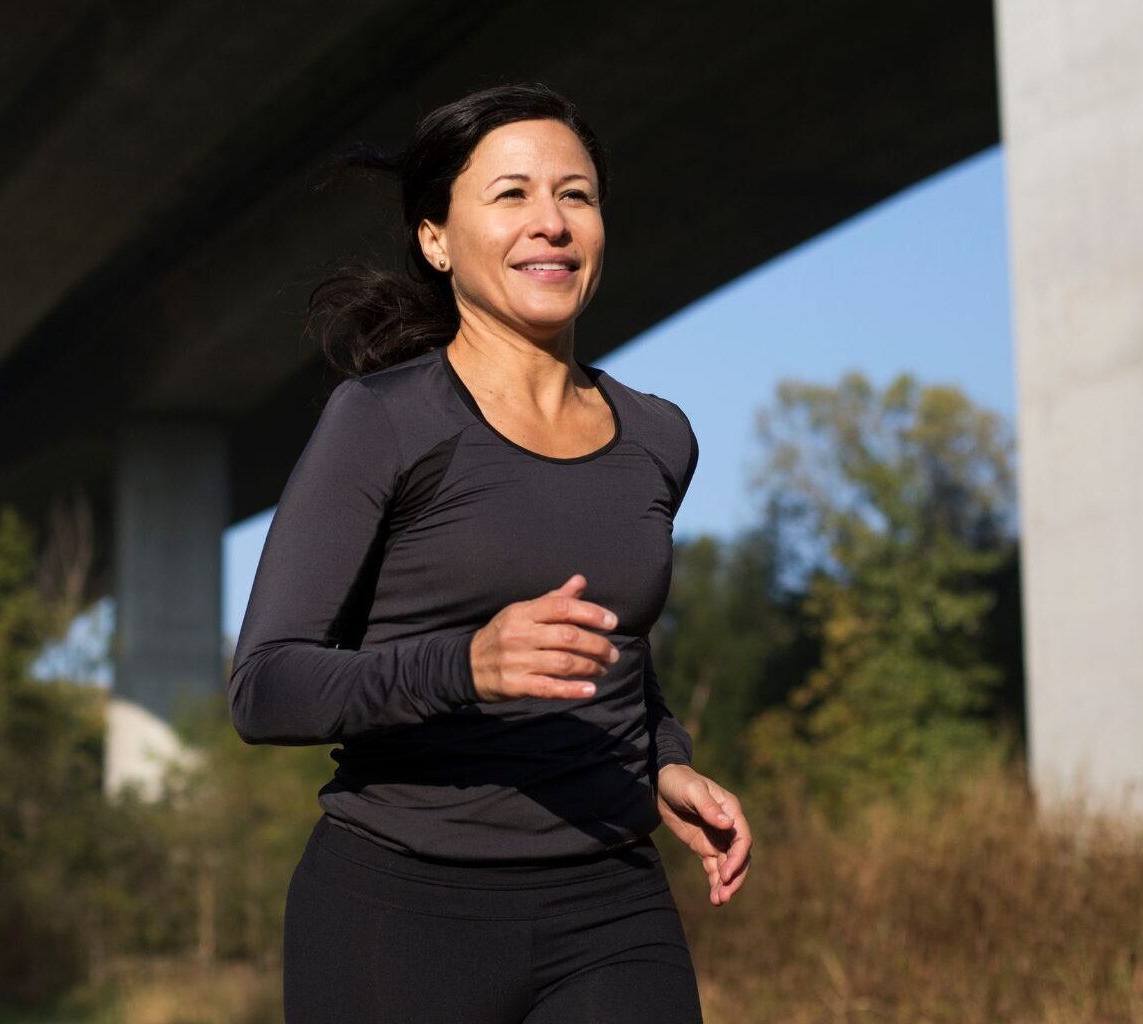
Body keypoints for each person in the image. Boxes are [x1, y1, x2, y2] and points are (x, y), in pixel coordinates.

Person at [228, 81, 753, 1024]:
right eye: (510, 195)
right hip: (400, 909)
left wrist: (663, 760)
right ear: (437, 239)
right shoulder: (383, 420)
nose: (549, 223)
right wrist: (467, 664)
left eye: (576, 195)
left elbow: (616, 654)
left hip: (612, 900)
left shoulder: (658, 437)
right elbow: (264, 686)